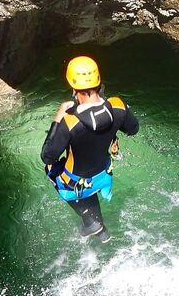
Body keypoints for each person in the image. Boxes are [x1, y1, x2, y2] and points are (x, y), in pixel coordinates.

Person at [41, 55, 139, 242]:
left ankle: (90, 220)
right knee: (87, 177)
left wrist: (57, 118)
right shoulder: (118, 106)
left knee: (51, 170)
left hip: (75, 182)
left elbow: (47, 156)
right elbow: (133, 129)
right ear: (98, 82)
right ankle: (101, 232)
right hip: (104, 175)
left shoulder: (69, 121)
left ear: (74, 89)